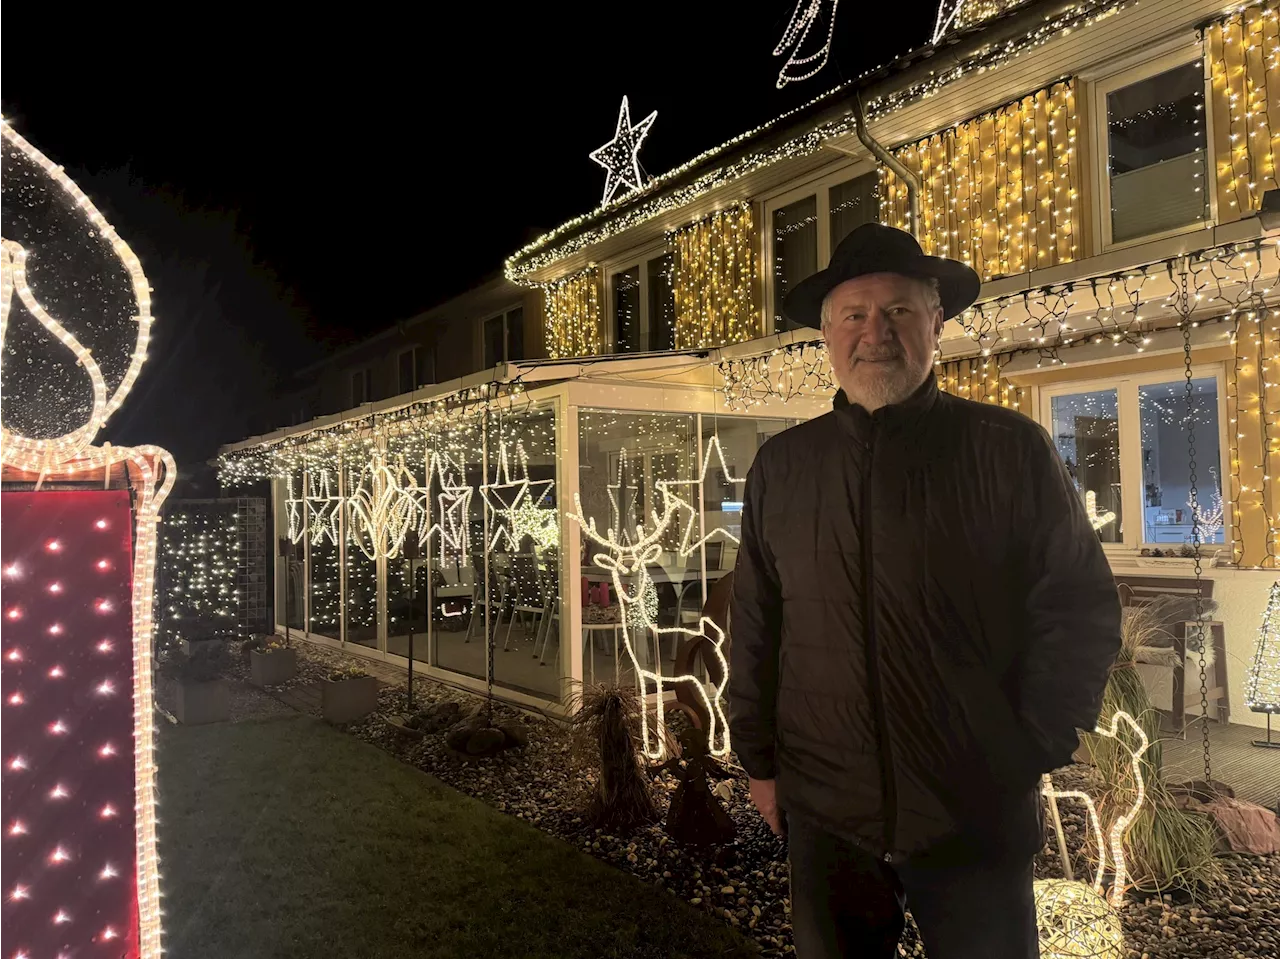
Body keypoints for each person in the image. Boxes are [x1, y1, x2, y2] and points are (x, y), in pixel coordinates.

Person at [727, 223, 1122, 958]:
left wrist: (1027, 746)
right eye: (854, 314)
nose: (875, 332)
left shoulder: (1007, 450)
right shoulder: (783, 467)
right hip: (826, 810)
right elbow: (754, 623)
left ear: (936, 325)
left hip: (972, 807)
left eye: (899, 311)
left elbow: (1077, 607)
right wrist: (759, 762)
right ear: (827, 333)